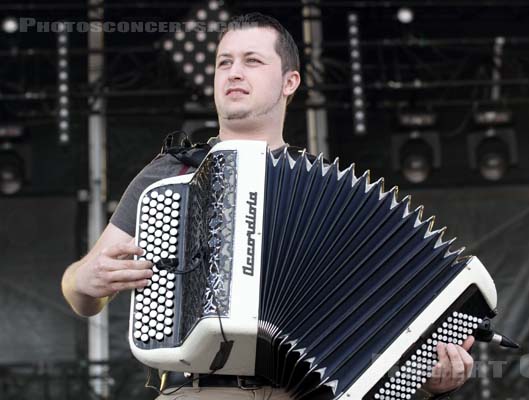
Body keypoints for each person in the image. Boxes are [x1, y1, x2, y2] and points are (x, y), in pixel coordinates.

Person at [61, 12, 474, 400]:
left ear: (289, 82)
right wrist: (84, 281)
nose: (234, 72)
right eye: (224, 63)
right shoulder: (172, 174)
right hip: (202, 389)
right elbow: (80, 293)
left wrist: (430, 382)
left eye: (252, 61)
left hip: (305, 390)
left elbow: (367, 334)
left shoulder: (326, 193)